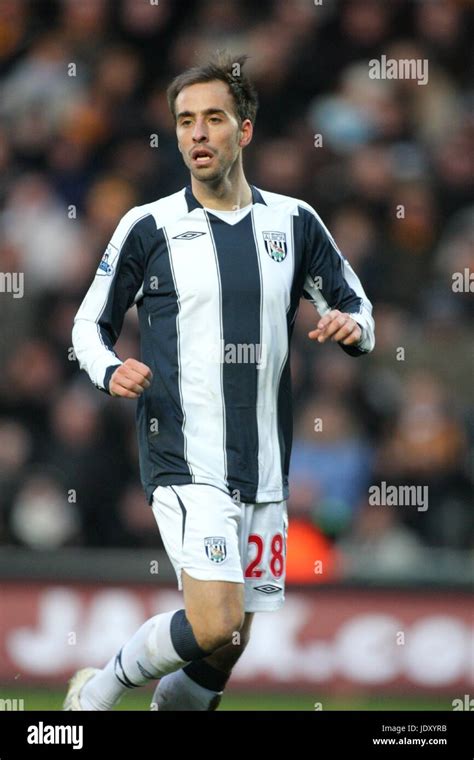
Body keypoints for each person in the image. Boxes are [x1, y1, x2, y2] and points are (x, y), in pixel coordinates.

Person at [65, 51, 375, 711]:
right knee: (212, 621)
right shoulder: (147, 226)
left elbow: (355, 305)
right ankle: (98, 690)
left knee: (227, 645)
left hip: (265, 464)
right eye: (184, 122)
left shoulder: (293, 222)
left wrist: (353, 329)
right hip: (184, 454)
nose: (197, 134)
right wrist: (112, 368)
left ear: (245, 130)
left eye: (212, 119)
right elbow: (86, 327)